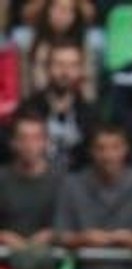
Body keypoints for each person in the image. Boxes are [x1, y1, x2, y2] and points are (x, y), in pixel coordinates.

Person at [53, 126, 132, 269]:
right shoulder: (72, 185)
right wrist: (83, 238)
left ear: (125, 149)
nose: (108, 156)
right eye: (101, 148)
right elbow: (60, 236)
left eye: (115, 148)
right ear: (91, 151)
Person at [12, 38, 95, 172]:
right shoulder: (28, 108)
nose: (65, 72)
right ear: (48, 67)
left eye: (73, 65)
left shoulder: (90, 113)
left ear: (80, 70)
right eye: (59, 64)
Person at [0, 114, 61, 269]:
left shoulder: (62, 181)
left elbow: (72, 223)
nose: (29, 145)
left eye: (36, 138)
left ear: (46, 142)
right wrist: (3, 236)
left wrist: (53, 234)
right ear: (13, 143)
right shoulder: (2, 179)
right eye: (23, 138)